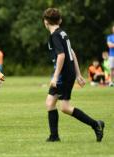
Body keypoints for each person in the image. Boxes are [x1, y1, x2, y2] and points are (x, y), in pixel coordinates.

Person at [43, 8, 104, 142]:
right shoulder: (62, 33)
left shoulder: (55, 36)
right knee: (50, 103)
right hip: (67, 73)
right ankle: (54, 136)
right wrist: (78, 74)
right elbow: (72, 53)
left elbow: (62, 55)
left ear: (46, 22)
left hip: (63, 75)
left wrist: (55, 76)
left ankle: (96, 124)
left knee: (65, 107)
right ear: (60, 20)